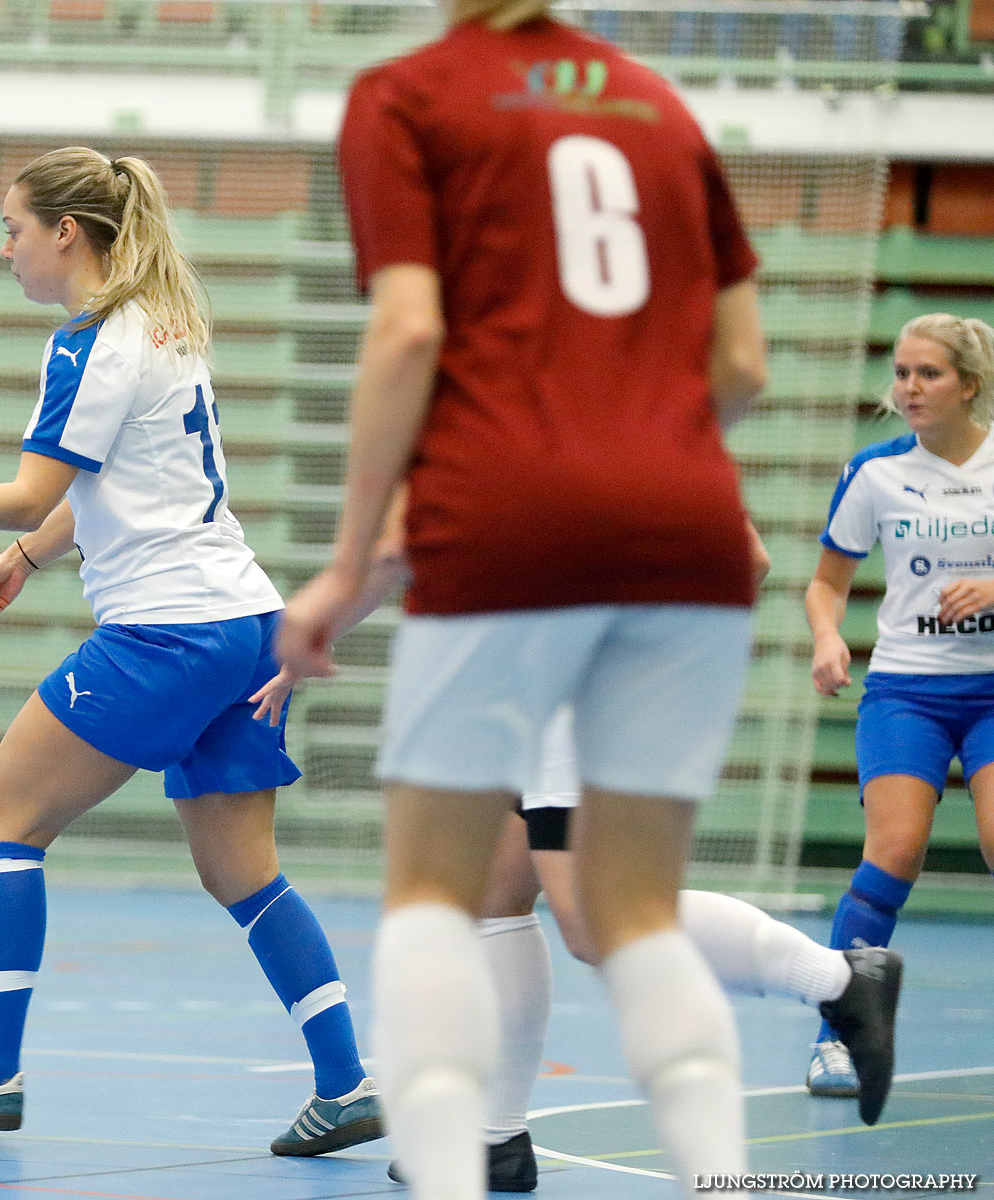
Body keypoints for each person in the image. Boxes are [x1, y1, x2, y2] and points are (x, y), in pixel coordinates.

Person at [277, 0, 772, 1193]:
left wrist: (348, 565)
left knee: (434, 898)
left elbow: (407, 333)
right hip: (690, 526)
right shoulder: (657, 102)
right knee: (634, 912)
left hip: (510, 519)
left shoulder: (408, 94)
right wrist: (638, 450)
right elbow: (743, 363)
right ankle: (723, 1178)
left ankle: (450, 1173)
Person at [0, 147, 381, 1155]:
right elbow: (107, 493)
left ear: (66, 233)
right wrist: (25, 561)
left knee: (5, 816)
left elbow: (35, 487)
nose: (6, 249)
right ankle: (345, 1083)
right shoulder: (165, 324)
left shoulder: (89, 342)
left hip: (165, 632)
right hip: (245, 626)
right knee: (243, 874)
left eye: (13, 229)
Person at [252, 504, 902, 1191]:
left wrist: (308, 635)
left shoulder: (507, 425)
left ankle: (837, 979)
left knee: (597, 921)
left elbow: (389, 551)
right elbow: (749, 559)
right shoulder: (612, 418)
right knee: (496, 895)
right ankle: (496, 1140)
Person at [805, 311, 994, 1099]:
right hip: (907, 691)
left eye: (928, 374)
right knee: (895, 852)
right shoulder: (875, 472)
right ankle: (834, 1038)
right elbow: (826, 583)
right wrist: (827, 638)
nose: (908, 388)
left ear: (969, 386)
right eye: (902, 372)